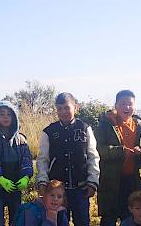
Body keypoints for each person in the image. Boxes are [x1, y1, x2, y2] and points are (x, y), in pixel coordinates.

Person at [35, 92, 100, 226]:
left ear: (75, 108)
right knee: (57, 222)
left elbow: (93, 156)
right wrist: (42, 181)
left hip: (80, 188)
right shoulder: (49, 132)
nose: (63, 112)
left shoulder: (85, 128)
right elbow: (43, 159)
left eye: (66, 108)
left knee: (82, 221)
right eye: (59, 108)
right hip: (57, 191)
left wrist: (93, 181)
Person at [95, 90, 141, 226]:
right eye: (123, 104)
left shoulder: (140, 126)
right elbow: (99, 149)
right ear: (116, 105)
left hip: (133, 181)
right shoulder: (106, 124)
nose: (126, 107)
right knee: (109, 218)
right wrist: (120, 151)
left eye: (130, 104)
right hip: (110, 181)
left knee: (131, 219)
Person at [0, 101, 34, 226]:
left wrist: (26, 177)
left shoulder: (20, 138)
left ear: (14, 117)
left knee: (16, 217)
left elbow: (26, 158)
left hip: (15, 185)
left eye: (9, 115)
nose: (6, 117)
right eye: (2, 114)